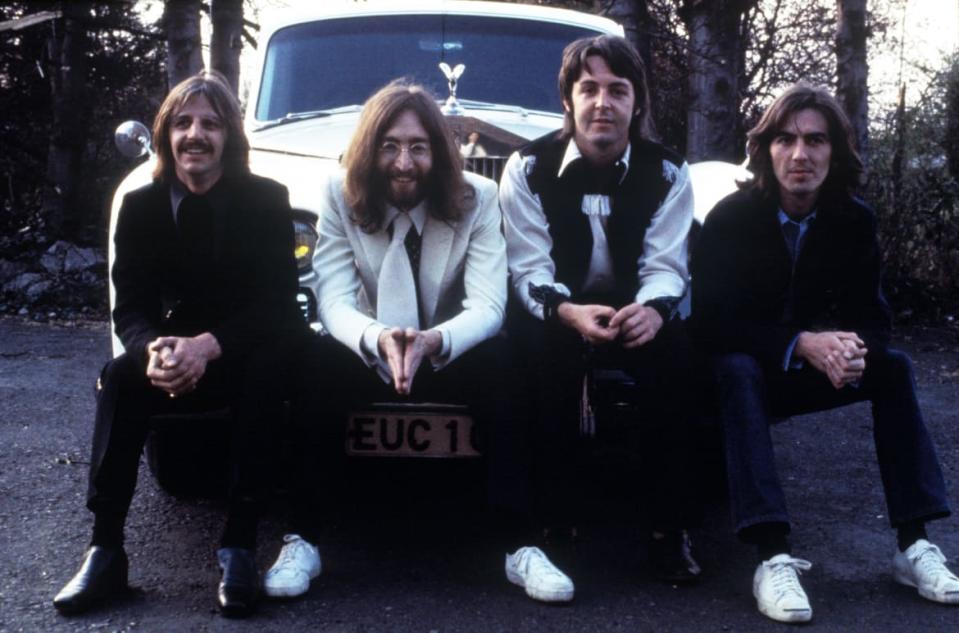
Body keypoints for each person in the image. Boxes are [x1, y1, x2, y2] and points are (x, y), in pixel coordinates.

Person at [691, 83, 959, 624]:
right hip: (731, 373)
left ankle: (914, 544)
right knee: (739, 369)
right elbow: (709, 324)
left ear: (834, 151)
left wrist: (852, 349)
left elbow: (875, 318)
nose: (800, 154)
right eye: (786, 140)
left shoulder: (852, 220)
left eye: (815, 140)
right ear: (766, 148)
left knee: (895, 368)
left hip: (801, 370)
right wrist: (802, 344)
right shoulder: (731, 218)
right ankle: (770, 555)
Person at [53, 71, 305, 619]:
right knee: (119, 377)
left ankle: (238, 545)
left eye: (211, 124)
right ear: (166, 133)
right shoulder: (140, 205)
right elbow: (130, 306)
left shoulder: (267, 200)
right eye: (184, 122)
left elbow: (278, 306)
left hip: (241, 350)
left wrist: (208, 346)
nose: (196, 135)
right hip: (170, 353)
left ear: (230, 137)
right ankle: (106, 550)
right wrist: (153, 352)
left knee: (269, 372)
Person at [270, 79, 510, 595]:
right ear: (369, 149)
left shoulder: (480, 197)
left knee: (510, 358)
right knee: (313, 361)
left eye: (418, 148)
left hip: (446, 352)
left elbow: (489, 305)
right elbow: (331, 299)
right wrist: (378, 338)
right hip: (370, 347)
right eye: (390, 146)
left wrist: (434, 342)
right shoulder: (338, 193)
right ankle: (302, 540)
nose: (404, 163)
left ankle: (522, 542)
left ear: (438, 152)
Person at [498, 34, 703, 603]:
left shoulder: (668, 172)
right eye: (588, 89)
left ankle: (669, 527)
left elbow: (667, 264)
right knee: (535, 356)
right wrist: (565, 311)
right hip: (559, 307)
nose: (602, 103)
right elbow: (527, 266)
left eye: (618, 90)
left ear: (637, 103)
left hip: (638, 309)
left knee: (680, 359)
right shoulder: (528, 167)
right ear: (568, 99)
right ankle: (553, 520)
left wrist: (655, 309)